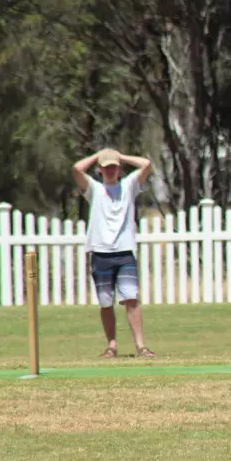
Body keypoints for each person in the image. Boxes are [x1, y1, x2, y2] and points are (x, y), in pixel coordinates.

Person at [73, 148, 155, 358]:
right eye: (106, 167)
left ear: (119, 169)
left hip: (124, 250)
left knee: (131, 299)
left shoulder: (128, 186)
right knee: (106, 302)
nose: (111, 170)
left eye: (114, 167)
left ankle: (140, 346)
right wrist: (99, 154)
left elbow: (146, 164)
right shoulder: (95, 189)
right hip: (100, 252)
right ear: (100, 169)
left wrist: (120, 156)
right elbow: (77, 169)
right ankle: (112, 346)